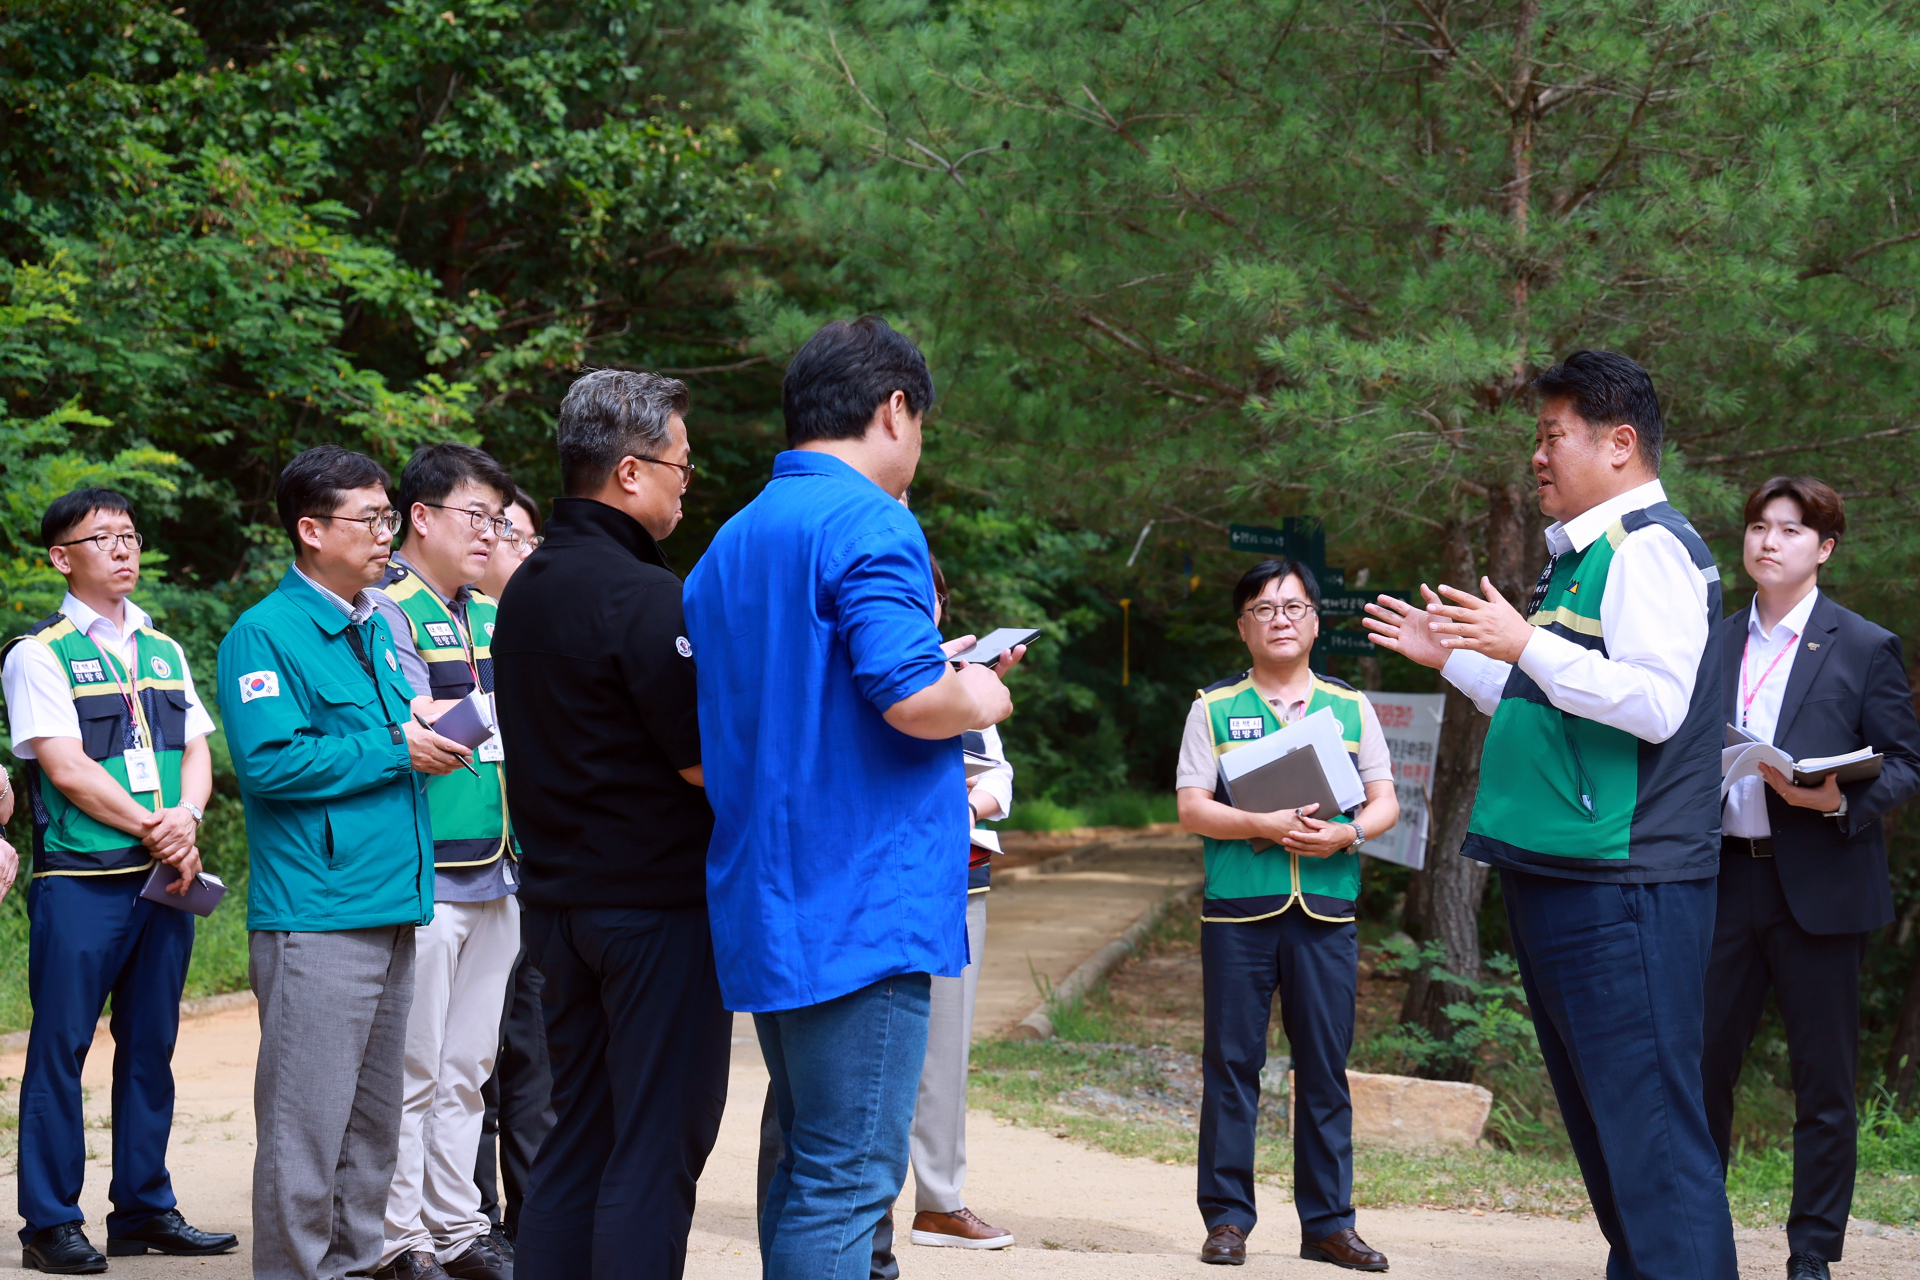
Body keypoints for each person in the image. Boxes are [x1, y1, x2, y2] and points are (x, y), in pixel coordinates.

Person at [1365, 350, 1738, 1280]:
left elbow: (1657, 704)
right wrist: (1452, 658)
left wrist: (1526, 641)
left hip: (1627, 887)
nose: (1537, 457)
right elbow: (1554, 705)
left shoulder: (1647, 547)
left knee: (1652, 1142)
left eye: (1552, 437)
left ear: (1619, 444)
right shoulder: (1581, 558)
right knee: (1615, 1147)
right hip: (1563, 876)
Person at [683, 316, 1021, 1280]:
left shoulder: (732, 539)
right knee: (846, 1177)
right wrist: (984, 692)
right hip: (860, 899)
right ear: (895, 410)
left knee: (802, 1160)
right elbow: (912, 695)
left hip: (766, 893)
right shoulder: (873, 520)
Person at [490, 370, 730, 1280]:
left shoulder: (529, 587)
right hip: (653, 911)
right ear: (630, 472)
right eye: (680, 463)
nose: (685, 481)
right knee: (656, 1143)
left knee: (575, 1135)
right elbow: (703, 762)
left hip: (556, 905)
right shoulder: (640, 596)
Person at [218, 445, 470, 1280]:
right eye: (370, 520)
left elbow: (385, 739)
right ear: (311, 529)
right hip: (318, 919)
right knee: (305, 1134)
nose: (386, 536)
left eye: (388, 518)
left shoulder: (370, 626)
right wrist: (396, 744)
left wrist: (428, 735)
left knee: (372, 1133)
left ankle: (359, 1267)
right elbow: (272, 763)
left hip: (393, 904)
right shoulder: (266, 634)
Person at [1, 488, 234, 1273]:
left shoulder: (163, 649)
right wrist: (155, 825)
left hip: (166, 881)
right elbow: (63, 767)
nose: (124, 549)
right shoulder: (38, 653)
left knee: (150, 1048)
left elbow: (197, 748)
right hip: (84, 881)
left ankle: (143, 1209)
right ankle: (50, 1225)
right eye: (104, 538)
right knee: (60, 1049)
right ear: (62, 558)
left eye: (131, 535)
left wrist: (189, 824)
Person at [1701, 477, 1920, 1280]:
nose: (1767, 542)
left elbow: (1906, 764)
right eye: (1758, 527)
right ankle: (1698, 1245)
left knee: (1824, 1091)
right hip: (1721, 882)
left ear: (1824, 547)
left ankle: (1812, 1260)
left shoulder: (1863, 645)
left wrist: (1838, 801)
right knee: (1699, 1078)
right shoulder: (1712, 641)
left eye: (1789, 530)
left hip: (1821, 888)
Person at [1174, 558, 1399, 1270]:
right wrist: (1263, 825)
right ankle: (1228, 1220)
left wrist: (1349, 833)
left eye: (1294, 607)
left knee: (1326, 1070)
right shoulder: (1212, 707)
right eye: (1265, 610)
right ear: (1243, 626)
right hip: (1239, 909)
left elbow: (1384, 800)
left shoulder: (1351, 706)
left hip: (1327, 910)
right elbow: (1190, 806)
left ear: (1314, 621)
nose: (1280, 619)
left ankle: (1329, 1224)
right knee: (1233, 1066)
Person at [370, 444, 523, 1280]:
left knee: (470, 1064)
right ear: (420, 517)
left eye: (498, 521)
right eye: (477, 517)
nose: (490, 534)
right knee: (415, 1064)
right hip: (430, 871)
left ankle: (457, 1226)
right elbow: (412, 713)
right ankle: (399, 1238)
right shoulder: (383, 610)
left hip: (502, 867)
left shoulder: (496, 614)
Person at [470, 487, 555, 1248]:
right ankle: (473, 1220)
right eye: (508, 536)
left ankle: (535, 1220)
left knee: (532, 1054)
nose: (520, 552)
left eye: (529, 540)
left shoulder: (526, 632)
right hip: (460, 872)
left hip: (529, 867)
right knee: (469, 1059)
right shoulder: (419, 619)